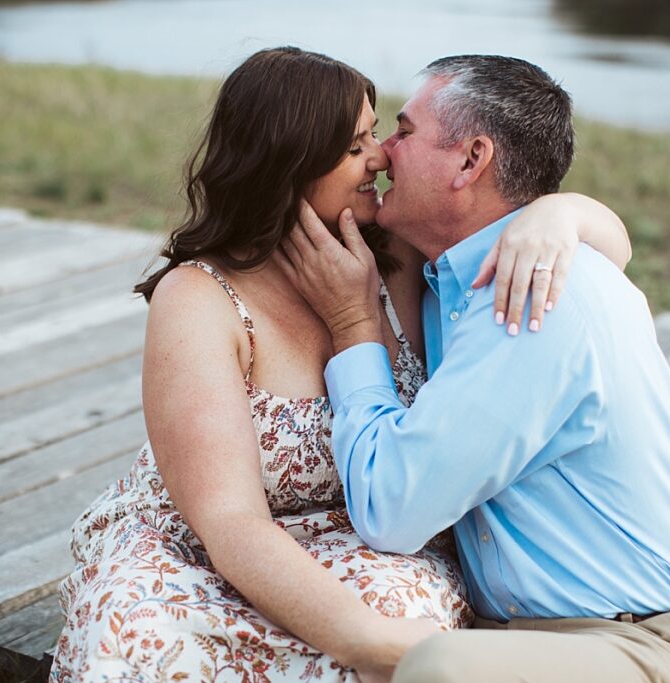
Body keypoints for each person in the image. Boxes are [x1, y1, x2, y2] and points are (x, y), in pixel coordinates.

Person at [50, 47, 632, 683]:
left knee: (406, 610)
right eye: (357, 145)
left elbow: (614, 247)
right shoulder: (199, 297)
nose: (381, 156)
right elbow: (229, 522)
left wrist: (561, 212)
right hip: (205, 547)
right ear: (290, 162)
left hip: (369, 543)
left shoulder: (399, 255)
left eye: (379, 132)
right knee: (140, 636)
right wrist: (368, 641)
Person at [279, 55, 670, 683]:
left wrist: (354, 328)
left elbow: (392, 509)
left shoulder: (533, 297)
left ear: (471, 160)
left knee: (433, 667)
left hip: (645, 647)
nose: (385, 153)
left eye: (404, 131)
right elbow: (613, 240)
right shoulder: (455, 275)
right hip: (541, 642)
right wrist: (571, 211)